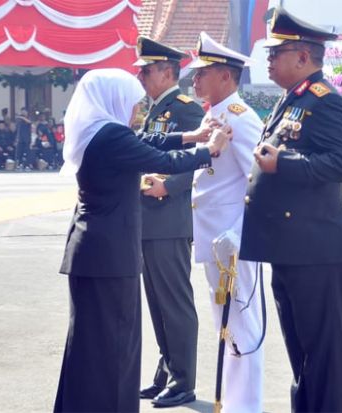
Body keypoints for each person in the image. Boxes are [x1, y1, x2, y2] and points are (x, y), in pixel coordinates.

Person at [54, 68, 230, 413]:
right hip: (109, 254)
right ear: (114, 101)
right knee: (116, 342)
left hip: (91, 250)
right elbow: (161, 159)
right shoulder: (111, 136)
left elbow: (147, 143)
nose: (137, 112)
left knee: (90, 342)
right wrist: (209, 149)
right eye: (133, 104)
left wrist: (190, 136)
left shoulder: (97, 132)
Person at [241, 8, 342, 412]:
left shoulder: (324, 101)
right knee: (302, 352)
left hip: (317, 247)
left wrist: (283, 164)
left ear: (302, 57)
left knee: (323, 353)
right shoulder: (291, 99)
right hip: (291, 246)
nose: (269, 60)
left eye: (276, 53)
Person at [187, 31, 265, 413]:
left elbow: (261, 182)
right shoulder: (212, 116)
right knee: (227, 328)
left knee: (243, 328)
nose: (195, 80)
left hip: (233, 244)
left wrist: (241, 234)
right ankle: (233, 404)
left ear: (226, 77)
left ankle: (246, 406)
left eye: (203, 73)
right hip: (215, 243)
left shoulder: (240, 118)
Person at [133, 36, 206, 408]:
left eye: (147, 70)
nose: (142, 76)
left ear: (167, 71)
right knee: (158, 303)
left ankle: (184, 381)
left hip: (170, 219)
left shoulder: (186, 109)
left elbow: (201, 158)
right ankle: (166, 371)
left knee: (174, 303)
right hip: (148, 219)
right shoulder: (154, 108)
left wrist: (170, 186)